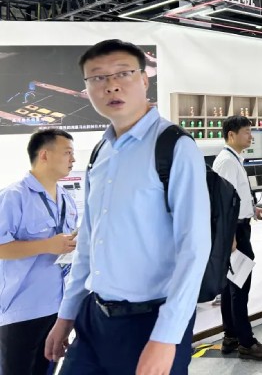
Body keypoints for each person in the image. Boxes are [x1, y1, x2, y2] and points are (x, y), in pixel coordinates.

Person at [45, 39, 211, 375]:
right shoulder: (100, 153)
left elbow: (194, 249)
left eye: (123, 73)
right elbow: (88, 243)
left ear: (145, 80)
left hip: (151, 321)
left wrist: (166, 337)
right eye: (98, 77)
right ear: (87, 88)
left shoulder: (174, 146)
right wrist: (66, 314)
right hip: (94, 318)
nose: (111, 85)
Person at [0, 130, 77, 375]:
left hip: (57, 309)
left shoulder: (66, 199)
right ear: (44, 155)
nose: (73, 159)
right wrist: (47, 245)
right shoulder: (13, 197)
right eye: (67, 153)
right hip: (21, 311)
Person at [212, 116, 262, 361]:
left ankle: (231, 336)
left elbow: (235, 199)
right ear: (231, 134)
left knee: (232, 286)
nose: (251, 136)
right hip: (234, 232)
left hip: (237, 228)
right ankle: (247, 343)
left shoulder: (232, 159)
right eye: (247, 132)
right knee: (240, 288)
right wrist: (230, 237)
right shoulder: (227, 162)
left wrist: (253, 210)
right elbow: (222, 203)